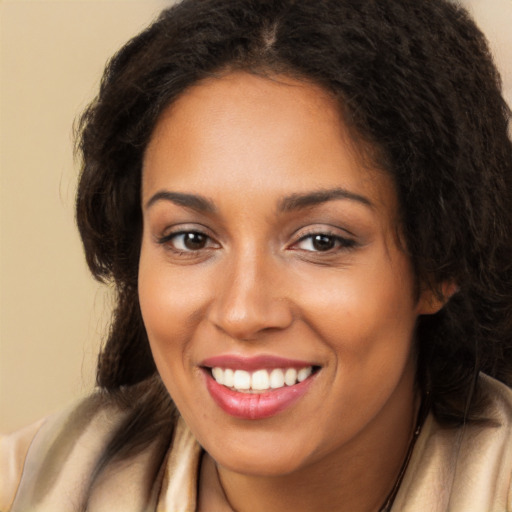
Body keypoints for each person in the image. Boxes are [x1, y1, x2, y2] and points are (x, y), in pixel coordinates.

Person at [2, 0, 512, 510]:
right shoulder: (29, 487)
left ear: (439, 264)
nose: (243, 312)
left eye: (320, 241)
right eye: (191, 238)